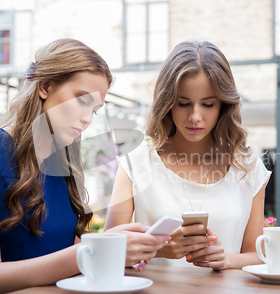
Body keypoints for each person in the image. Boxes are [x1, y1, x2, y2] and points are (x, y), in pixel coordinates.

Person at [0, 38, 170, 294]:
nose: (88, 119)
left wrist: (115, 248)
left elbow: (61, 250)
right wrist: (90, 252)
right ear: (45, 87)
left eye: (95, 109)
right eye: (81, 100)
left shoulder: (63, 164)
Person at [105, 40, 271, 270]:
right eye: (183, 103)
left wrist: (227, 259)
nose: (195, 116)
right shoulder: (136, 162)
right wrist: (157, 249)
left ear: (223, 105)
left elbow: (258, 256)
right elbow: (107, 249)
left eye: (208, 104)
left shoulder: (247, 168)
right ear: (167, 103)